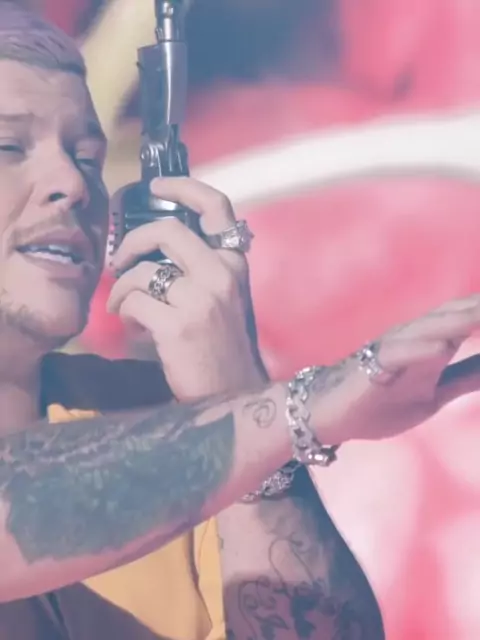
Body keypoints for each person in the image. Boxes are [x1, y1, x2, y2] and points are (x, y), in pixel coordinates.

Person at [0, 2, 479, 640]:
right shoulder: (205, 442)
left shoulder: (168, 420)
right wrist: (294, 410)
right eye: (8, 147)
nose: (74, 181)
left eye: (88, 157)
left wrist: (234, 386)